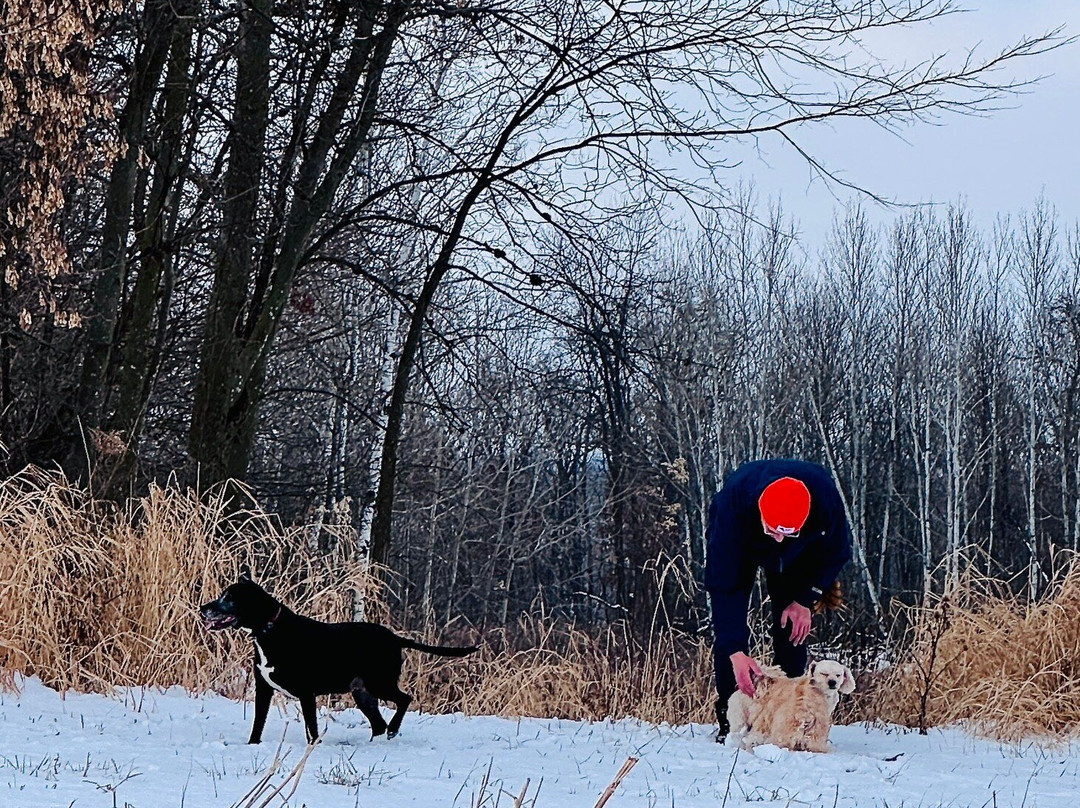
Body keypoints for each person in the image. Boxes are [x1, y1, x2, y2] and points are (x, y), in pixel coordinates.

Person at [704, 458, 852, 741]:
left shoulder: (825, 501)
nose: (779, 540)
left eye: (787, 532)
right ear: (761, 512)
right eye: (773, 531)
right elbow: (724, 586)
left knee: (791, 626)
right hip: (742, 545)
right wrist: (735, 650)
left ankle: (793, 712)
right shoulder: (732, 509)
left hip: (801, 555)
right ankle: (730, 718)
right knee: (731, 642)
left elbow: (836, 553)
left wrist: (805, 599)